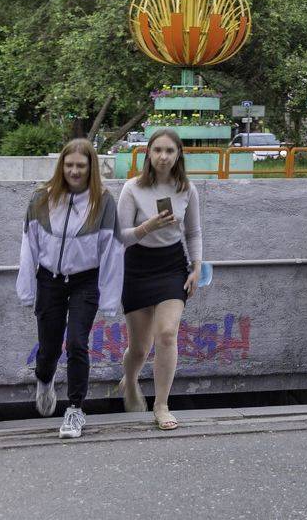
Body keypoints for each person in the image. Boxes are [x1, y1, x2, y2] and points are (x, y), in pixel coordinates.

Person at [17, 138, 124, 439]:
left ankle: (75, 409)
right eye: (69, 165)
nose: (74, 171)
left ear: (91, 168)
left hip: (85, 281)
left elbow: (112, 251)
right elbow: (28, 246)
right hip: (49, 280)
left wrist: (110, 299)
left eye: (81, 165)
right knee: (49, 348)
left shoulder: (103, 202)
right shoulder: (41, 199)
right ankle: (44, 378)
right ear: (61, 166)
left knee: (77, 343)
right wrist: (26, 290)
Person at [117, 128, 203, 431]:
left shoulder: (187, 189)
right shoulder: (132, 188)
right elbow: (120, 236)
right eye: (157, 150)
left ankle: (162, 405)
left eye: (169, 151)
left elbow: (193, 232)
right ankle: (129, 381)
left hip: (172, 266)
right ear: (148, 154)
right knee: (139, 348)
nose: (163, 156)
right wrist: (148, 226)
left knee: (166, 334)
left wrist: (196, 267)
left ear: (178, 155)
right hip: (137, 267)